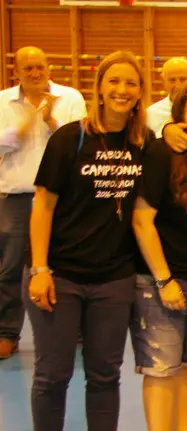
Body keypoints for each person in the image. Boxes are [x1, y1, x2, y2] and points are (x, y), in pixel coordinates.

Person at [24, 50, 150, 431]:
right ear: (98, 89)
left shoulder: (145, 143)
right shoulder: (71, 138)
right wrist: (40, 269)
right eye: (113, 81)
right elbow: (43, 206)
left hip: (114, 277)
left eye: (130, 82)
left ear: (141, 91)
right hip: (61, 273)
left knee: (105, 375)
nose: (122, 90)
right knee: (52, 373)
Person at [130, 78, 187, 431]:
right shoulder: (161, 153)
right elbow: (142, 221)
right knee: (160, 369)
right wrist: (164, 279)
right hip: (162, 279)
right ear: (180, 115)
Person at [0, 46, 86, 359]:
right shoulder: (3, 101)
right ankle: (7, 332)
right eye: (28, 68)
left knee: (65, 263)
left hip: (63, 198)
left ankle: (74, 330)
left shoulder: (71, 98)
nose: (35, 73)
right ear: (17, 72)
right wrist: (25, 124)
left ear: (49, 67)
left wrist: (50, 121)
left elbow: (82, 142)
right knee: (10, 268)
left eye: (40, 66)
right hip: (16, 196)